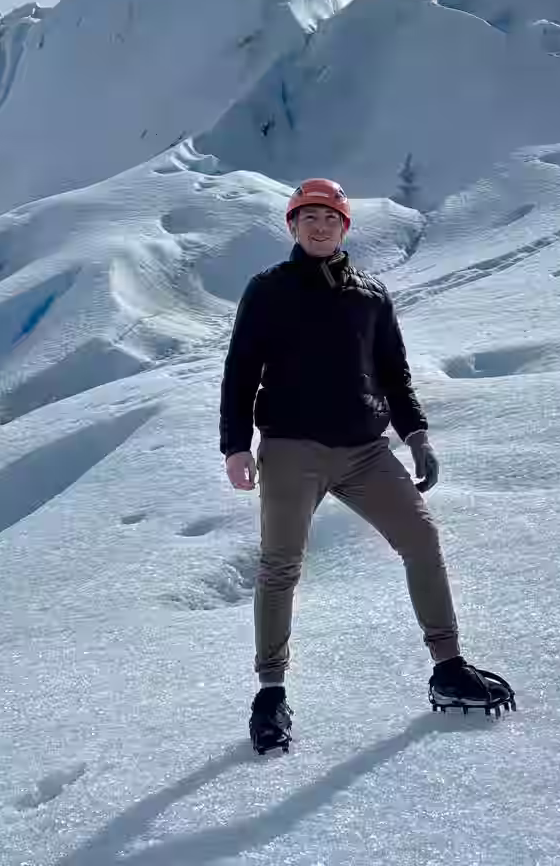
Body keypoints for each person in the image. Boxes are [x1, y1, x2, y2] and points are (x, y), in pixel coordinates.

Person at [220, 178, 514, 753]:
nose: (319, 226)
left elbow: (394, 372)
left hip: (365, 451)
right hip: (290, 450)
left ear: (345, 227)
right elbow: (240, 371)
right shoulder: (267, 290)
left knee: (421, 541)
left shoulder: (370, 296)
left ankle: (447, 663)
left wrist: (417, 435)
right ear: (292, 227)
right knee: (281, 565)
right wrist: (235, 445)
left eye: (330, 217)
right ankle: (270, 692)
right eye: (308, 218)